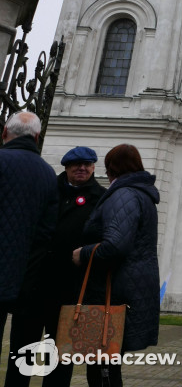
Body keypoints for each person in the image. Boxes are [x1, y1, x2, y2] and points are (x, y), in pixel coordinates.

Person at [5, 146, 106, 386]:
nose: (81, 168)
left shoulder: (100, 198)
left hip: (70, 290)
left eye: (87, 164)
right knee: (21, 352)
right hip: (33, 285)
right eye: (75, 164)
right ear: (66, 167)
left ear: (93, 167)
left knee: (61, 359)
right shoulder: (48, 190)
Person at [72, 144, 160, 387]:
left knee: (103, 367)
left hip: (113, 290)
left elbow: (115, 245)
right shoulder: (140, 193)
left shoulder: (123, 194)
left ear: (111, 168)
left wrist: (83, 253)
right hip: (127, 287)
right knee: (108, 362)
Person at [0, 111, 58, 362]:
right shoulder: (48, 174)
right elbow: (46, 234)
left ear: (4, 133)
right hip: (13, 281)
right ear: (37, 137)